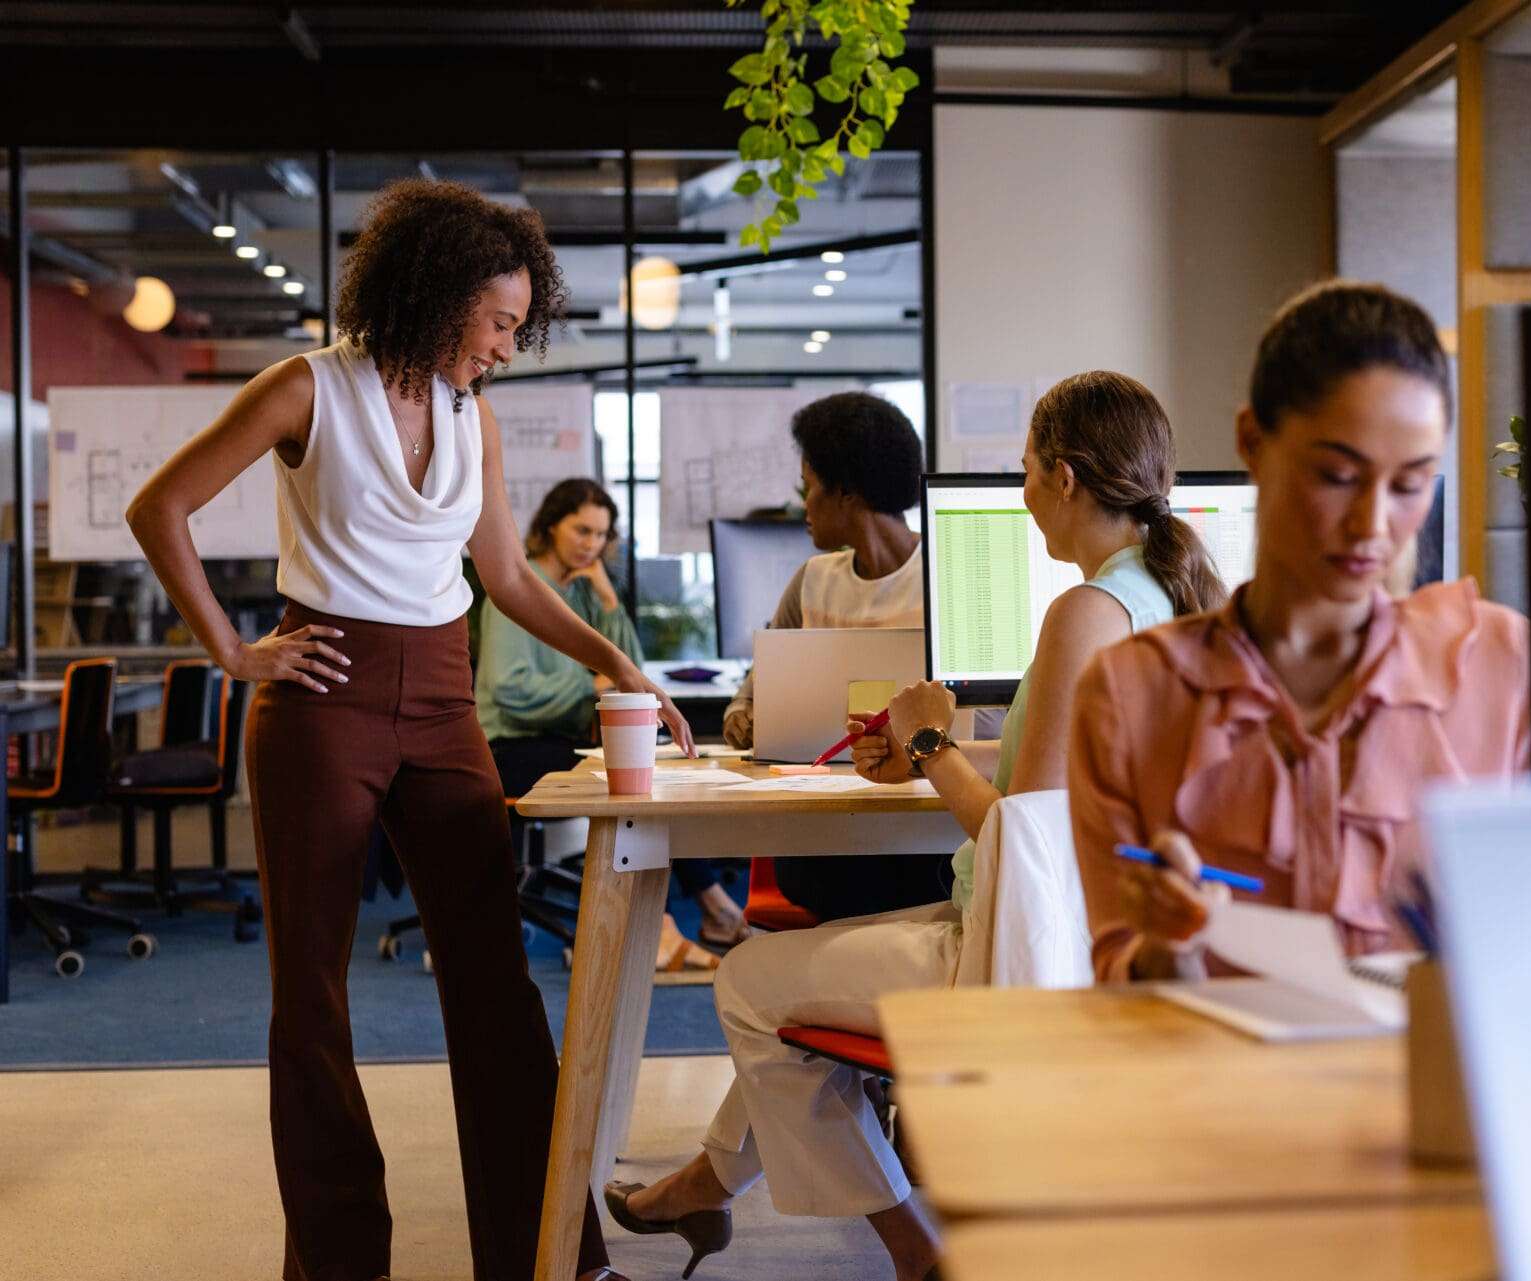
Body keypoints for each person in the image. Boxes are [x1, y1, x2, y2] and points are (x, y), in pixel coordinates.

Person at [125, 177, 694, 1281]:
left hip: (441, 697)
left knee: (492, 978)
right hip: (321, 696)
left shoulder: (469, 415)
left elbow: (507, 579)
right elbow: (163, 507)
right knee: (314, 991)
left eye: (517, 328)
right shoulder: (308, 389)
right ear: (439, 298)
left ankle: (548, 1252)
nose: (507, 347)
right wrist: (234, 653)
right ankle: (340, 1260)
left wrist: (616, 658)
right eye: (499, 323)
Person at [603, 371, 1226, 1281]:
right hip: (1101, 937)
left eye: (1022, 472)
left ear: (1063, 478)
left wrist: (930, 740)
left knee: (746, 983)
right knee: (796, 992)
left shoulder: (1086, 613)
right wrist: (937, 760)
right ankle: (711, 1182)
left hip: (1016, 950)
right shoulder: (1170, 595)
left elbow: (1024, 839)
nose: (1021, 497)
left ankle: (911, 1248)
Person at [1069, 281, 1531, 982]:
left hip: (1432, 1084)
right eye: (1339, 475)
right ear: (1253, 441)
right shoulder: (1129, 694)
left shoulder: (1501, 665)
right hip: (1219, 1085)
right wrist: (1170, 948)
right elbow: (1120, 981)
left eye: (1410, 485)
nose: (1372, 526)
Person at [477, 477, 745, 967]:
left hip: (563, 740)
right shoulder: (518, 589)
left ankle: (703, 913)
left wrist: (607, 601)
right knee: (635, 785)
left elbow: (631, 675)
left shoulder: (580, 591)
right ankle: (678, 920)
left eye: (601, 535)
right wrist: (592, 687)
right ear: (550, 526)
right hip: (510, 747)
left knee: (649, 779)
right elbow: (507, 690)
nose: (591, 544)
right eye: (581, 530)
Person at [721, 390, 951, 921]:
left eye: (811, 487)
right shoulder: (811, 581)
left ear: (846, 492)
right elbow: (751, 693)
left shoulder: (944, 574)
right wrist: (742, 718)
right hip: (827, 823)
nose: (803, 505)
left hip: (927, 818)